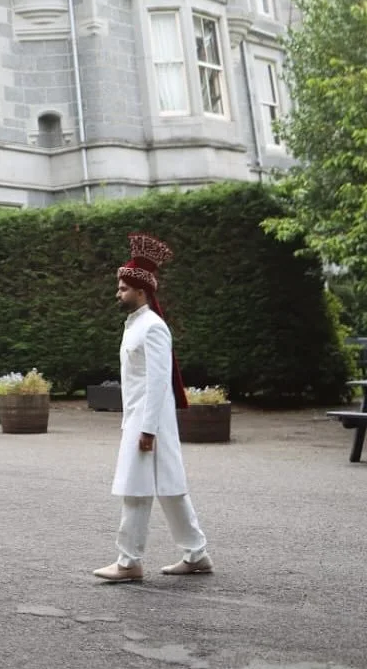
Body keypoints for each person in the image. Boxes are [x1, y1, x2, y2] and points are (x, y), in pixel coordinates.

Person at [93, 233, 213, 582]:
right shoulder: (136, 325)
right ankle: (197, 554)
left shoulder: (153, 328)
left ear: (141, 291)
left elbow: (159, 383)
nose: (118, 293)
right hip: (143, 420)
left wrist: (146, 430)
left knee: (136, 489)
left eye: (123, 288)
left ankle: (129, 563)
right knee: (170, 489)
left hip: (149, 423)